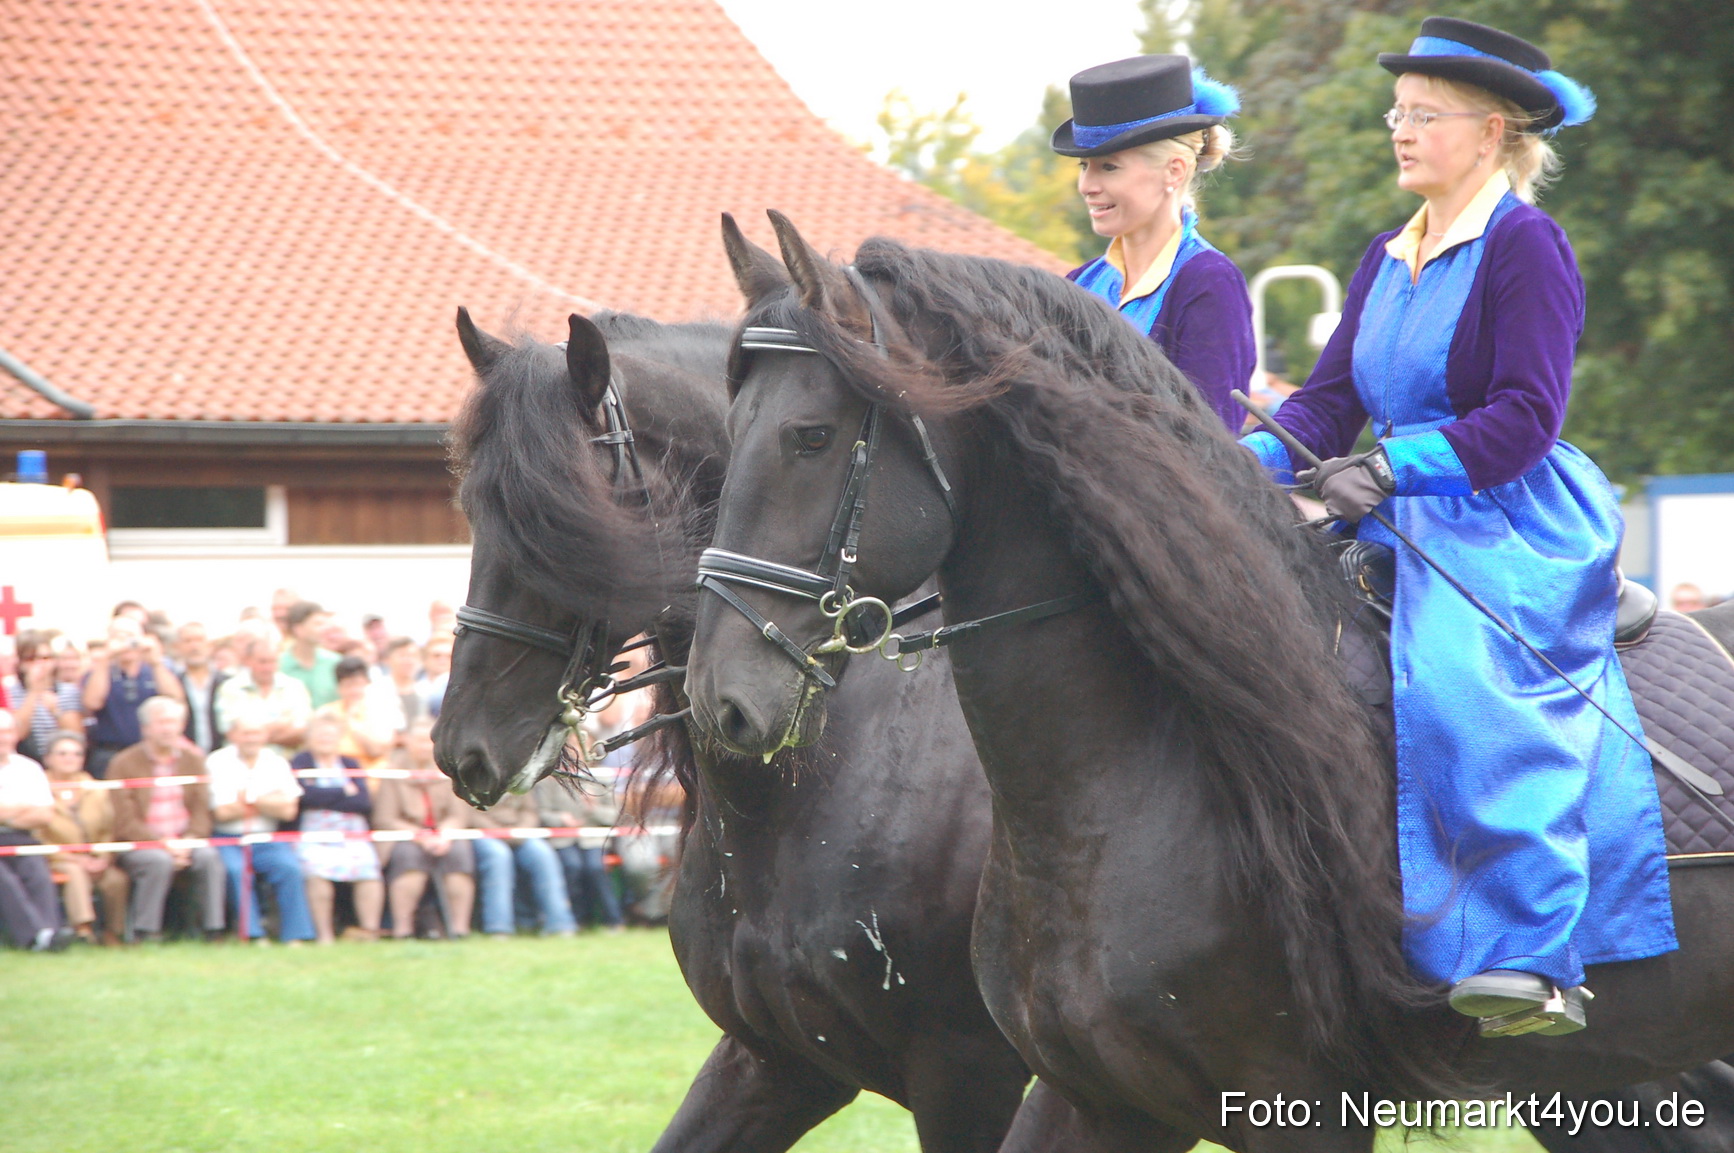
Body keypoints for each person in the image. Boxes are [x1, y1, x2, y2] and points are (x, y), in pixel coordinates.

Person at [1241, 18, 1672, 1037]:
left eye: (1423, 114)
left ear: (1492, 131)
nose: (1400, 130)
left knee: (1451, 671)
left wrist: (1396, 465)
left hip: (1503, 508)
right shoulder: (1388, 254)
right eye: (1398, 112)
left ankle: (1529, 953)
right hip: (1397, 501)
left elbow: (1526, 417)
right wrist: (1229, 459)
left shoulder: (1528, 244)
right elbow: (1325, 404)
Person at [1053, 53, 1253, 433]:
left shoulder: (1208, 282)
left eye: (1108, 166)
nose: (1087, 186)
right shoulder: (1079, 283)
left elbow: (1211, 443)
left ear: (1173, 170)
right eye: (1084, 166)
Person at [103, 697, 226, 942]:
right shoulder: (123, 763)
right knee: (157, 861)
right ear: (146, 728)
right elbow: (124, 821)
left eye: (173, 722)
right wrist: (163, 843)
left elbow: (202, 810)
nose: (168, 728)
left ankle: (213, 929)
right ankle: (146, 931)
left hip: (186, 840)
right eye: (161, 723)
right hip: (141, 843)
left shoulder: (194, 761)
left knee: (209, 857)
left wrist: (189, 840)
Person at [371, 721, 474, 938]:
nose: (424, 747)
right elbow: (385, 818)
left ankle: (459, 928)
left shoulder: (448, 770)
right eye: (419, 741)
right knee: (409, 857)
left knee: (460, 853)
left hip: (443, 835)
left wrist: (445, 834)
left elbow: (459, 814)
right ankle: (403, 929)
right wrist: (421, 837)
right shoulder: (392, 773)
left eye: (429, 742)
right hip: (405, 837)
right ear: (407, 742)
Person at [291, 712, 384, 943]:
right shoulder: (299, 763)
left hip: (352, 834)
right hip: (312, 835)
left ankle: (368, 931)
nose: (325, 739)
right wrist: (343, 792)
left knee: (368, 870)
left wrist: (322, 796)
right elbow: (303, 797)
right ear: (309, 736)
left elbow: (362, 802)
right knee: (316, 874)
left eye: (331, 735)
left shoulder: (351, 764)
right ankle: (325, 936)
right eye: (320, 734)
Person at [38, 730, 121, 945]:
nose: (70, 759)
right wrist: (73, 858)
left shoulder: (96, 789)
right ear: (48, 758)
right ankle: (83, 930)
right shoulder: (37, 788)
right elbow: (37, 835)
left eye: (76, 754)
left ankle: (114, 933)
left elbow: (108, 828)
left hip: (94, 858)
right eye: (62, 753)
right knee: (75, 872)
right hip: (56, 859)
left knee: (116, 880)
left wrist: (102, 856)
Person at [0, 711, 72, 950]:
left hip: (21, 837)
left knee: (37, 872)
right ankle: (35, 936)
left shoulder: (28, 768)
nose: (3, 738)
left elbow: (44, 815)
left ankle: (49, 933)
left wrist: (6, 814)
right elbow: (32, 811)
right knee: (5, 880)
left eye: (7, 732)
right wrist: (21, 808)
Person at [82, 616, 185, 778]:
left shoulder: (155, 670)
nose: (126, 643)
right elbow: (93, 702)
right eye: (118, 637)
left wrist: (155, 662)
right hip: (111, 751)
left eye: (130, 636)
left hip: (151, 750)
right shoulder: (100, 672)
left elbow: (175, 700)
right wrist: (105, 659)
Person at [469, 785, 577, 938]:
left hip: (520, 832)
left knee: (544, 855)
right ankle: (499, 928)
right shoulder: (472, 773)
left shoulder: (518, 774)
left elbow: (530, 810)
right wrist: (500, 832)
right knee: (499, 857)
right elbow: (469, 812)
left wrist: (520, 830)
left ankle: (560, 924)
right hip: (483, 833)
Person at [534, 774, 623, 932]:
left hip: (593, 838)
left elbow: (614, 815)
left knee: (595, 867)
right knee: (572, 866)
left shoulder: (601, 776)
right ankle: (578, 919)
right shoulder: (549, 780)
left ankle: (614, 920)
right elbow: (541, 813)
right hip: (563, 838)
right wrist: (561, 819)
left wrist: (594, 809)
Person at [215, 634, 311, 757]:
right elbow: (230, 731)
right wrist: (281, 725)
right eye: (262, 662)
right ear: (248, 661)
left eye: (273, 661)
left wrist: (252, 735)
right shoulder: (231, 689)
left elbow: (302, 730)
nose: (268, 668)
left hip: (287, 764)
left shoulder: (294, 687)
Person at [315, 657, 401, 769]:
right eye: (348, 685)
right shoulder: (326, 712)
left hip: (374, 776)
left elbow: (377, 750)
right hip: (338, 776)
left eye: (359, 684)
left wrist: (353, 723)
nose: (354, 691)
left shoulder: (381, 710)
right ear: (339, 688)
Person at [176, 622, 229, 753]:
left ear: (210, 646)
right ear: (178, 647)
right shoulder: (173, 683)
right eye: (188, 641)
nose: (194, 646)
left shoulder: (227, 683)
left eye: (200, 640)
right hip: (186, 758)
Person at [279, 601, 341, 710]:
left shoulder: (335, 662)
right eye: (317, 624)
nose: (324, 629)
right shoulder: (280, 665)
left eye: (324, 624)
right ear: (298, 629)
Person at [380, 638, 426, 732]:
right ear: (388, 659)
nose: (408, 661)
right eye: (402, 656)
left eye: (412, 656)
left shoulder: (425, 690)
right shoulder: (377, 690)